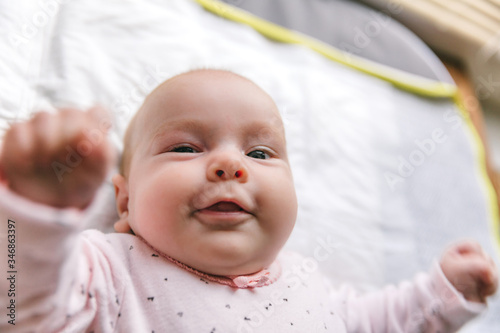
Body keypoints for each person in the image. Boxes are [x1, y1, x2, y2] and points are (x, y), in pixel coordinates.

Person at [0, 69, 497, 333]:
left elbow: (377, 323)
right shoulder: (108, 268)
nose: (229, 166)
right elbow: (22, 305)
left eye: (259, 152)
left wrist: (442, 293)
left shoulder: (310, 283)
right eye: (185, 148)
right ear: (124, 202)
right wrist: (36, 208)